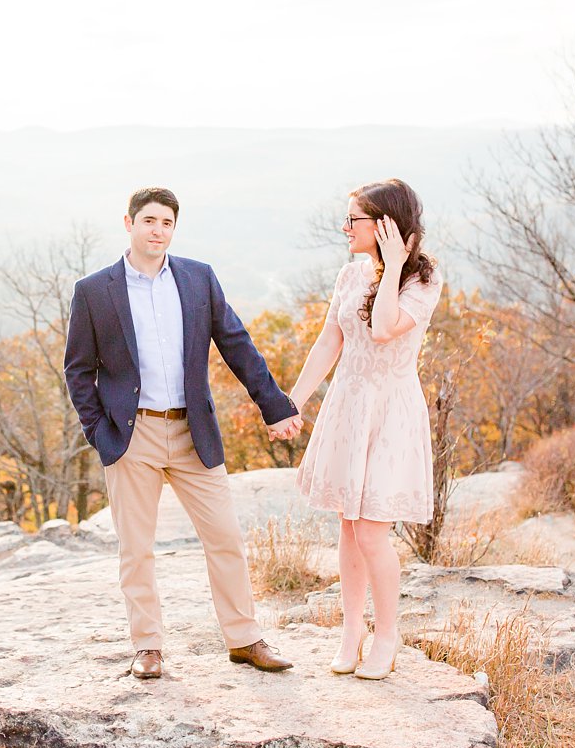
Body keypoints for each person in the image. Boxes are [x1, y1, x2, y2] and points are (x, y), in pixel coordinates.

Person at [64, 187, 303, 679]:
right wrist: (99, 433)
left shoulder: (197, 278)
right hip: (133, 438)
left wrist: (275, 406)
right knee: (137, 548)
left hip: (194, 433)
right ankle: (147, 646)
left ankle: (244, 638)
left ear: (174, 228)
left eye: (167, 223)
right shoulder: (94, 291)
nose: (158, 230)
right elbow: (78, 370)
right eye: (149, 220)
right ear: (128, 223)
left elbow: (237, 344)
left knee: (225, 538)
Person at [286, 179, 442, 680]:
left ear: (384, 225)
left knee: (373, 531)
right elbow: (328, 343)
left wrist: (395, 265)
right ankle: (350, 630)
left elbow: (381, 329)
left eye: (353, 219)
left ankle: (387, 635)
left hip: (391, 410)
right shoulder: (349, 274)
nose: (344, 227)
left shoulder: (422, 281)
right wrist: (292, 401)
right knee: (348, 528)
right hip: (348, 406)